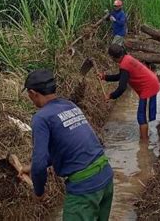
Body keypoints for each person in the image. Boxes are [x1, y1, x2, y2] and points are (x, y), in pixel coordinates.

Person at [20, 69, 114, 220]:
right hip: (106, 177)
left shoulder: (41, 118)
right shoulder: (69, 105)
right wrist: (30, 166)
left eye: (29, 95)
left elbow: (39, 164)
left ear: (33, 93)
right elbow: (72, 146)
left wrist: (39, 192)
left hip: (85, 188)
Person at [99, 44, 160, 141]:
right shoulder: (127, 58)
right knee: (148, 115)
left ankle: (144, 144)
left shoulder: (124, 64)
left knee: (141, 116)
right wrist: (105, 77)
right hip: (153, 81)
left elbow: (122, 88)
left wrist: (111, 96)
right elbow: (121, 76)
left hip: (148, 86)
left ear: (113, 57)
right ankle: (149, 137)